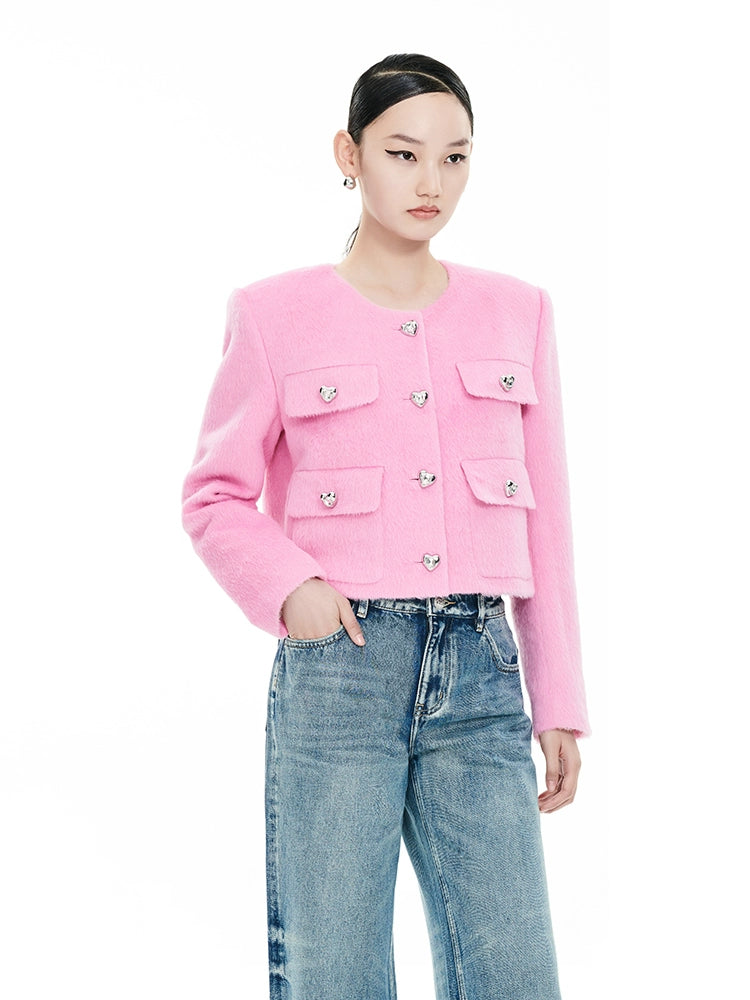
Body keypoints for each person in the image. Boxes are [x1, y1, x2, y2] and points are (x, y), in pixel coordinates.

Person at [181, 52, 591, 1000]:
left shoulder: (519, 312)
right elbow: (213, 494)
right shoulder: (274, 314)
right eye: (404, 153)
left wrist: (559, 699)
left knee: (514, 973)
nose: (430, 181)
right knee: (334, 970)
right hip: (343, 670)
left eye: (455, 157)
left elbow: (551, 521)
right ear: (349, 154)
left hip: (482, 669)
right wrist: (293, 589)